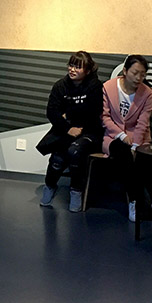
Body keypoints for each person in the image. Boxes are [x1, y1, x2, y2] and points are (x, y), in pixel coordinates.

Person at [37, 51, 103, 212]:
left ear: (87, 71)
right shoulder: (60, 86)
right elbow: (52, 112)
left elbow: (93, 110)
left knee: (75, 152)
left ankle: (76, 191)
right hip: (66, 129)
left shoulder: (95, 85)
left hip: (89, 132)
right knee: (57, 158)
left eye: (78, 67)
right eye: (71, 65)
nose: (72, 69)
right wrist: (68, 128)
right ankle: (50, 186)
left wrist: (69, 114)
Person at [102, 54, 152, 222]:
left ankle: (151, 200)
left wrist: (135, 145)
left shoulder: (147, 93)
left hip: (138, 138)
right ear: (125, 71)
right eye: (135, 73)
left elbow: (143, 123)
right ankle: (135, 201)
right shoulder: (108, 87)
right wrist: (121, 135)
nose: (139, 78)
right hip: (112, 136)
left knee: (142, 158)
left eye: (143, 74)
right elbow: (104, 117)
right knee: (124, 155)